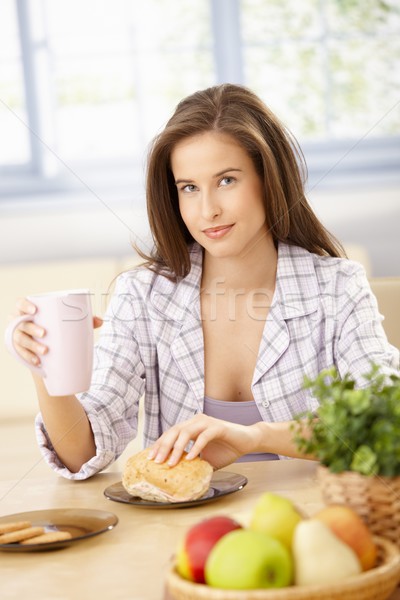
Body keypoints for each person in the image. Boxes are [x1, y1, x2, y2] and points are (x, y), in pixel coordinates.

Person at [11, 83, 399, 480]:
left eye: (227, 181)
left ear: (269, 178)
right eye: (189, 188)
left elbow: (386, 423)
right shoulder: (143, 295)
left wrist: (256, 437)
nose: (208, 210)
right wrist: (47, 370)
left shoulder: (338, 288)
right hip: (180, 532)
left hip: (309, 521)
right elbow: (81, 454)